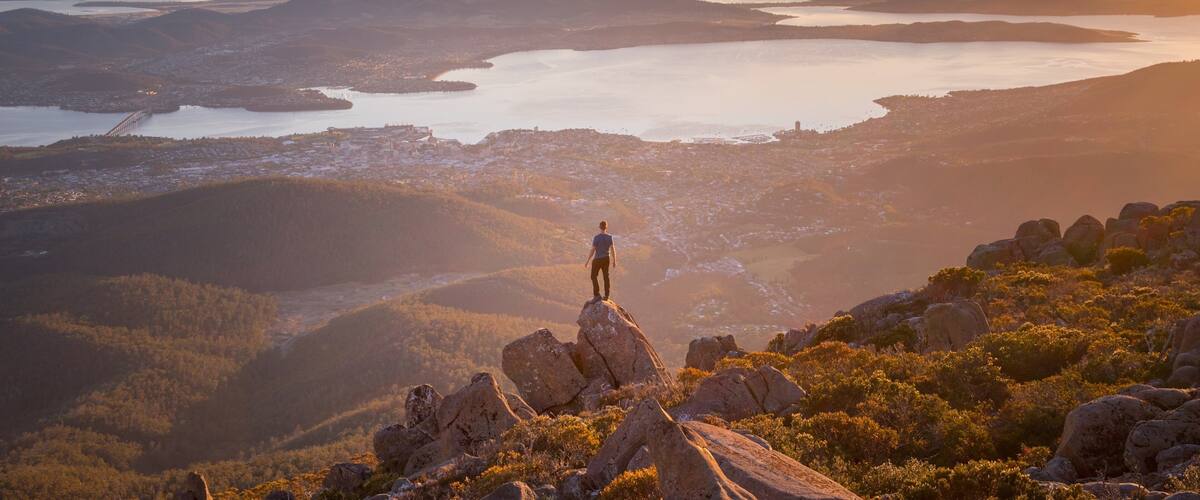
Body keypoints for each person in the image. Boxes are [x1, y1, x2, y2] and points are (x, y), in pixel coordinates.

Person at [584, 220, 616, 301]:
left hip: (597, 259)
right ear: (606, 227)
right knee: (606, 277)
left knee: (593, 276)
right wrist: (614, 260)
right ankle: (606, 295)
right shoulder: (609, 237)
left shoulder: (597, 238)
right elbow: (612, 249)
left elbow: (593, 250)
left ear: (599, 227)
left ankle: (597, 294)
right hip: (606, 259)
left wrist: (588, 260)